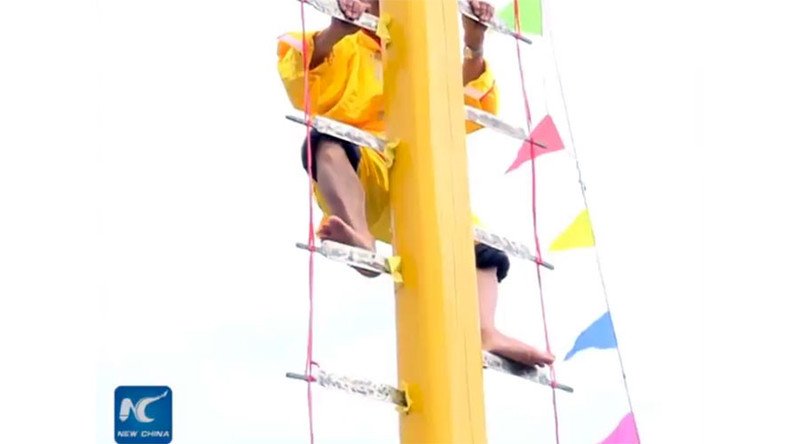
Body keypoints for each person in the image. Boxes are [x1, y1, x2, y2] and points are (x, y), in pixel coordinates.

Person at [277, 0, 554, 367]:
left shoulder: (424, 58)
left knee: (481, 247)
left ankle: (485, 330)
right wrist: (337, 30)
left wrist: (474, 43)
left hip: (420, 177)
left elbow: (468, 96)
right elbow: (307, 67)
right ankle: (361, 238)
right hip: (359, 174)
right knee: (325, 139)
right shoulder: (344, 43)